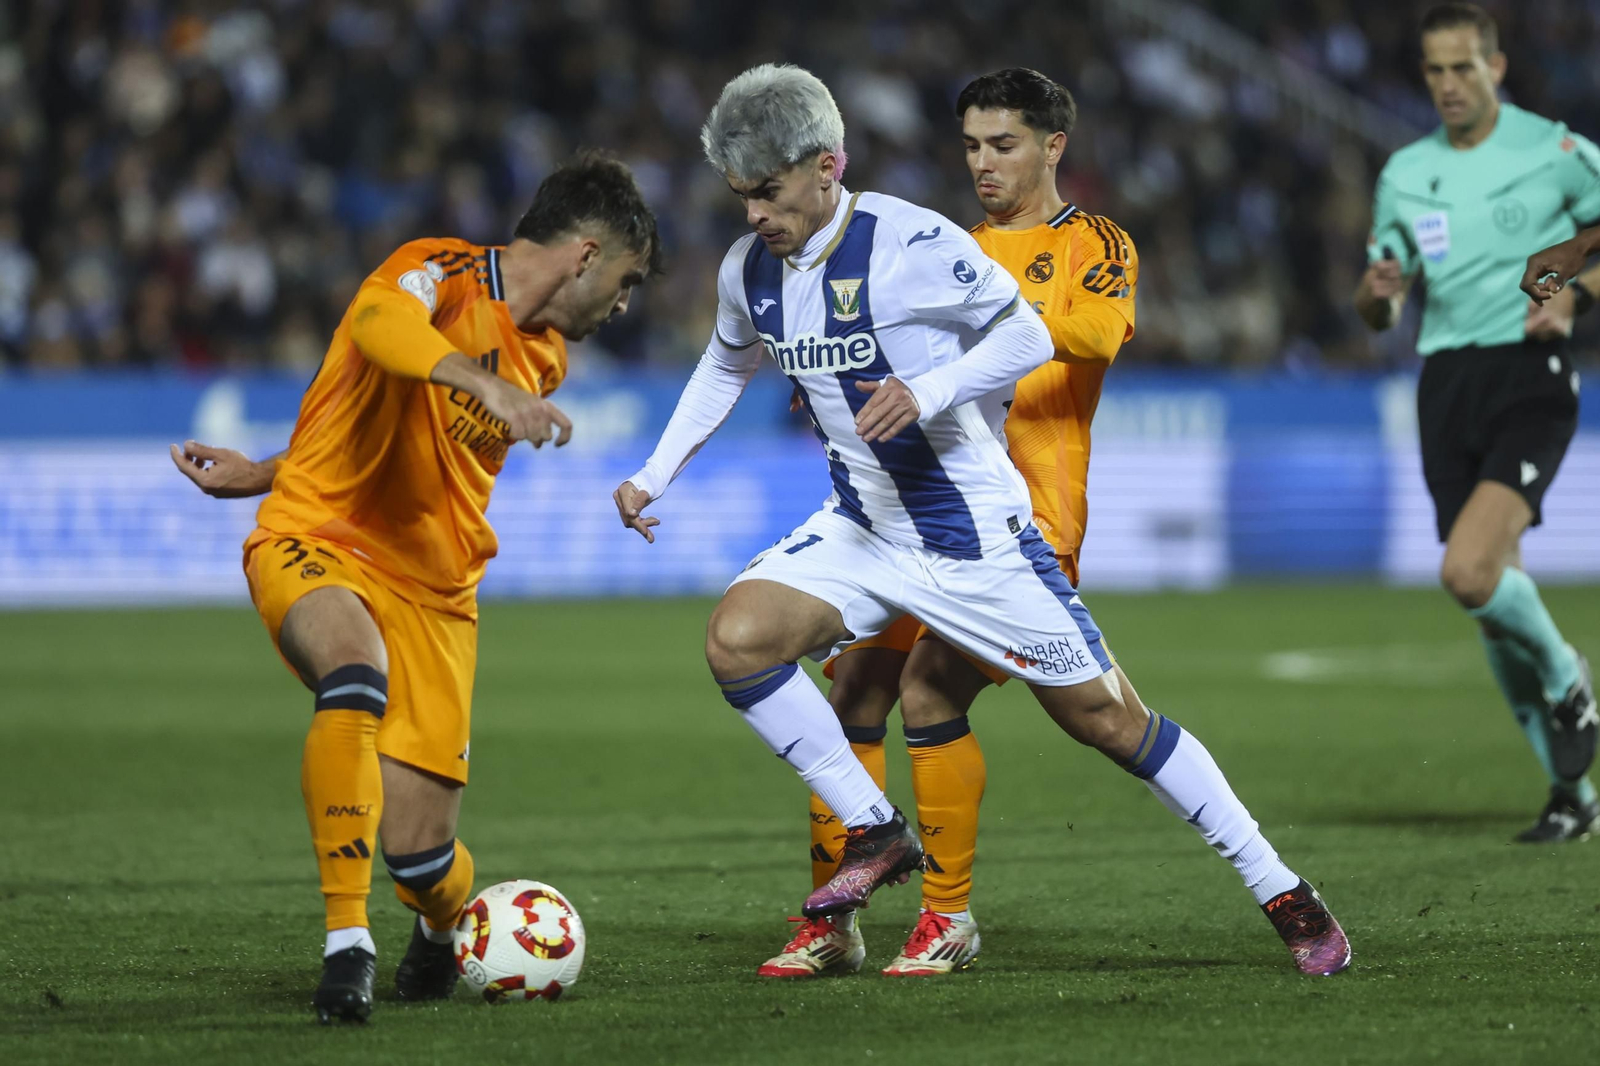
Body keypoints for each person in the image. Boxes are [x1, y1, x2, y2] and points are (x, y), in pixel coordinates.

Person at [614, 63, 1350, 979]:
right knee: (752, 646)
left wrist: (925, 387)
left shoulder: (923, 240)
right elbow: (727, 365)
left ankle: (1280, 886)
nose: (755, 214)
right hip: (866, 528)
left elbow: (1038, 335)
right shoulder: (752, 270)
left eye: (768, 192)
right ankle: (871, 853)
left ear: (827, 168)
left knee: (1105, 722)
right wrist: (654, 473)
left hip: (984, 535)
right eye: (741, 197)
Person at [172, 151, 659, 1023]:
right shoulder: (442, 269)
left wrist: (258, 468)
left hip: (439, 594)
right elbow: (374, 326)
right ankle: (345, 943)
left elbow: (398, 422)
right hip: (319, 537)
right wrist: (478, 382)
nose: (624, 305)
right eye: (626, 281)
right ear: (586, 254)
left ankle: (441, 931)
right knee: (352, 673)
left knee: (424, 862)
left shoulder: (544, 358)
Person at [760, 67, 1139, 979]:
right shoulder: (941, 246)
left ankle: (946, 916)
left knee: (939, 698)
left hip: (1028, 518)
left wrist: (996, 314)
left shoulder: (1096, 242)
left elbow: (1097, 332)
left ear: (1053, 146)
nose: (982, 162)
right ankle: (833, 923)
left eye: (1002, 143)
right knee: (852, 696)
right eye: (970, 145)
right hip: (911, 514)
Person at [1354, 3, 1600, 842]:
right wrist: (1379, 298)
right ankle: (1572, 796)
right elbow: (1377, 300)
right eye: (1435, 70)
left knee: (1467, 573)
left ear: (1497, 68)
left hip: (1529, 375)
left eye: (1464, 67)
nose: (1449, 85)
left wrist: (1577, 290)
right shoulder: (1405, 172)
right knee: (1495, 601)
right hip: (1446, 381)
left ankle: (1569, 677)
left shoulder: (1556, 151)